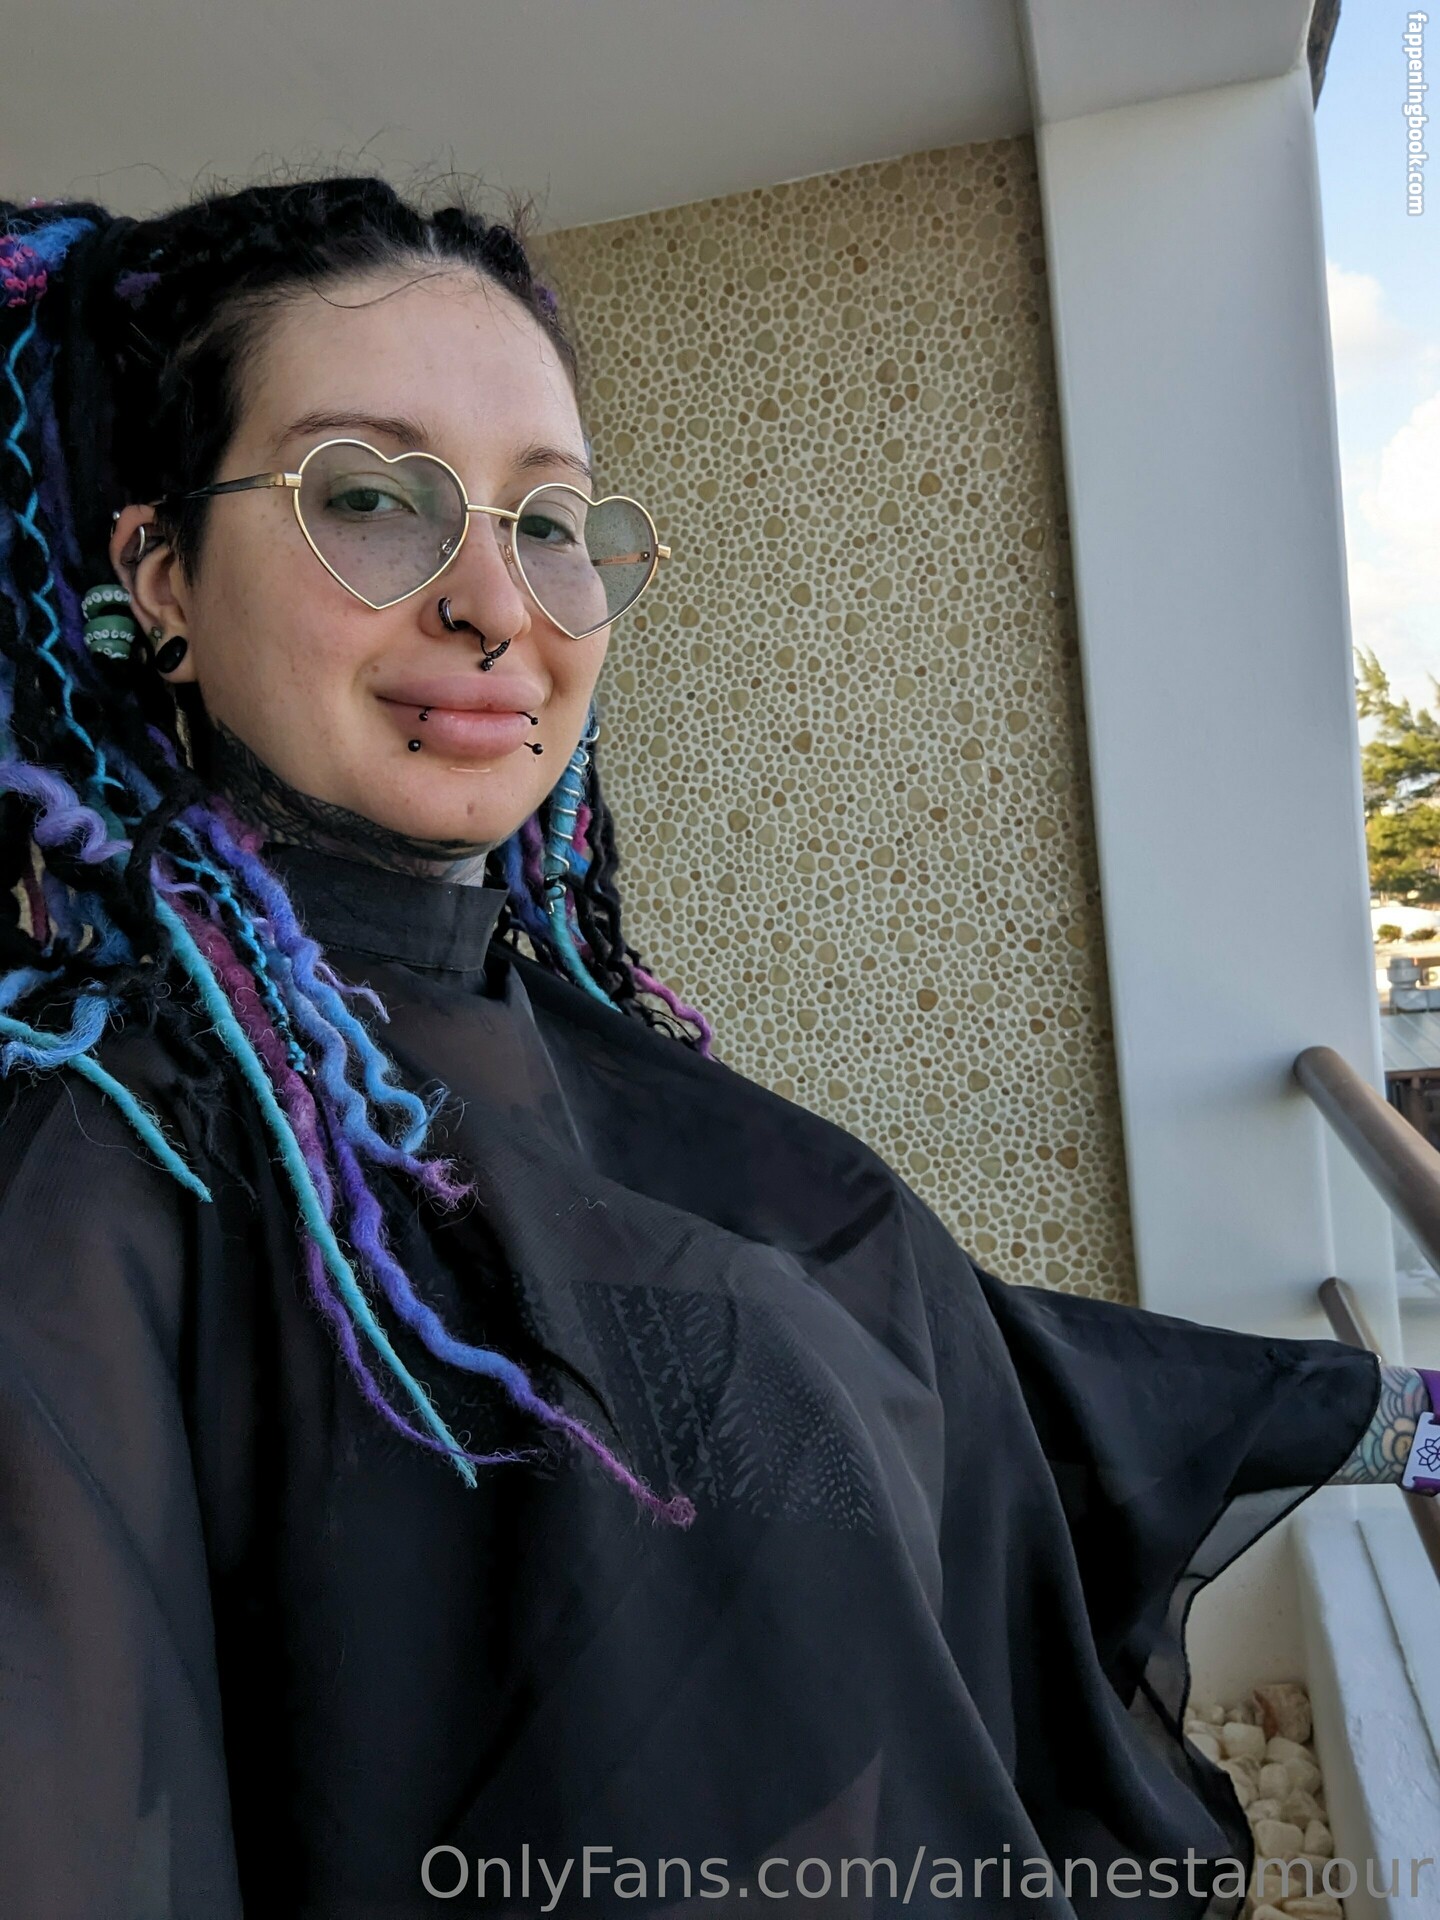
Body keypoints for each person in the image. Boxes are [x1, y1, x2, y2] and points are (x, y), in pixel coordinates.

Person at [0, 175, 1429, 1920]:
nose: (495, 601)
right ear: (158, 576)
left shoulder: (558, 1031)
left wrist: (1384, 1417)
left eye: (552, 522)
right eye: (369, 497)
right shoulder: (101, 1173)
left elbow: (956, 1352)